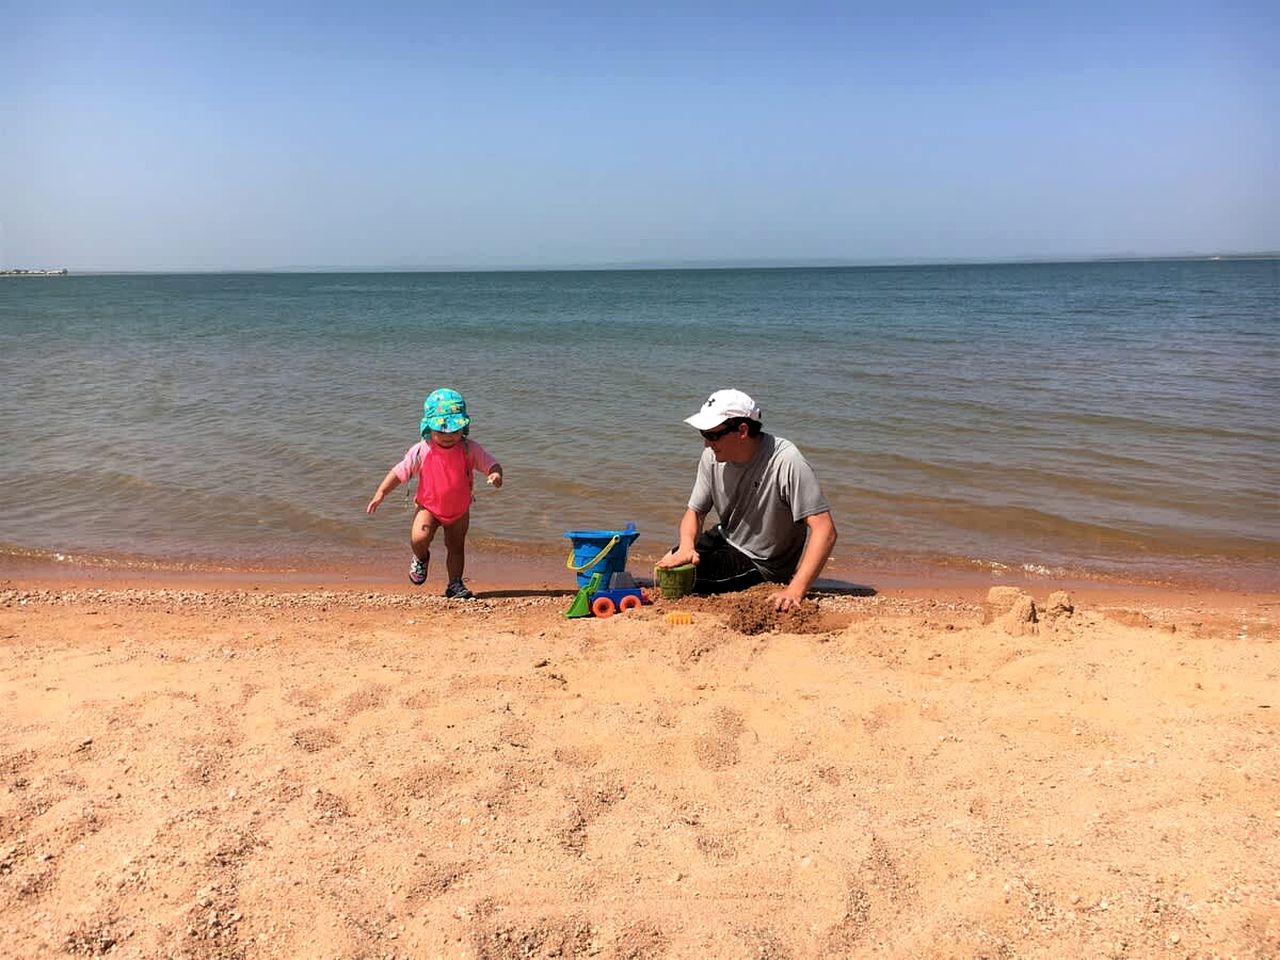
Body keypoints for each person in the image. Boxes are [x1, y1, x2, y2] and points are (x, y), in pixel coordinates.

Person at [656, 388, 837, 611]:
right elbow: (695, 512)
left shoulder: (786, 461)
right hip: (725, 537)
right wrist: (686, 547)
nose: (706, 443)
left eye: (712, 435)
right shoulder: (711, 458)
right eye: (703, 434)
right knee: (666, 567)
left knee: (679, 582)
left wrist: (795, 590)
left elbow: (825, 530)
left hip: (760, 561)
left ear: (742, 430)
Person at [366, 388, 503, 599]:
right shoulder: (422, 450)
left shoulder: (469, 449)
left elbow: (491, 463)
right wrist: (381, 493)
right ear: (429, 428)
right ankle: (421, 558)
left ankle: (455, 584)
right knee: (419, 536)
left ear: (463, 428)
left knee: (456, 547)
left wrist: (495, 475)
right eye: (441, 431)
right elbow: (399, 472)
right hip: (428, 506)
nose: (448, 436)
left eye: (454, 431)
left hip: (459, 509)